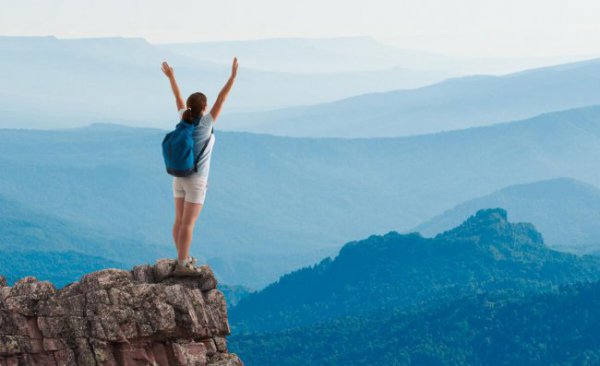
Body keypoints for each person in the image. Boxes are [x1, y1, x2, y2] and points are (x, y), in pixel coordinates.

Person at [161, 57, 238, 275]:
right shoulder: (206, 124)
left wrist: (171, 76)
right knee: (188, 224)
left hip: (178, 177)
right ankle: (183, 264)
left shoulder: (183, 119)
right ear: (204, 108)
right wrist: (232, 77)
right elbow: (222, 98)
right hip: (197, 180)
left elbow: (177, 97)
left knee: (178, 220)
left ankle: (181, 257)